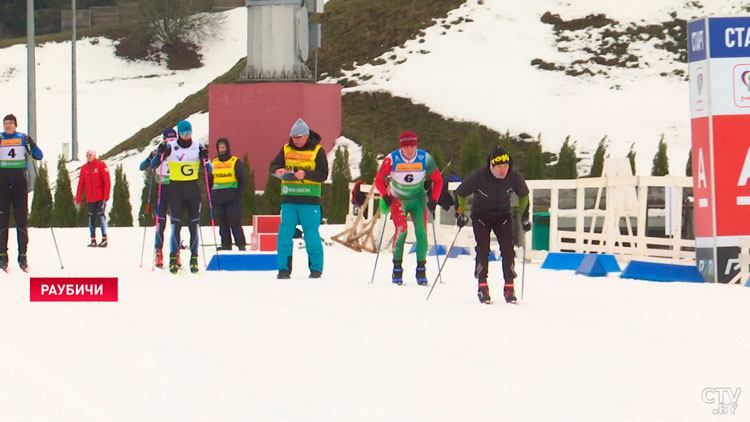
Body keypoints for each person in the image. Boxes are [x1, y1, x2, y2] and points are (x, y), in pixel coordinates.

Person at [455, 146, 530, 304]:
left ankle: (509, 286)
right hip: (481, 215)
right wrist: (460, 213)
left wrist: (525, 217)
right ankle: (482, 285)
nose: (503, 170)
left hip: (502, 215)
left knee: (508, 249)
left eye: (506, 166)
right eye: (499, 167)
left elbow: (524, 196)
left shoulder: (513, 176)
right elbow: (460, 193)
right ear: (491, 166)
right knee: (483, 248)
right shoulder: (478, 176)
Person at [374, 131, 442, 285]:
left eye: (413, 146)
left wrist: (434, 199)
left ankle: (421, 270)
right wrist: (385, 195)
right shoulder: (391, 159)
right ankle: (397, 269)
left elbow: (438, 180)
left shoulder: (425, 158)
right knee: (402, 231)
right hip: (399, 200)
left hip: (418, 199)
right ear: (401, 147)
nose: (410, 150)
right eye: (407, 147)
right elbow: (379, 180)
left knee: (422, 233)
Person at [269, 118, 328, 279]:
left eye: (298, 137)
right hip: (289, 199)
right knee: (285, 235)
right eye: (293, 137)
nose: (295, 140)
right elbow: (273, 167)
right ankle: (283, 269)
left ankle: (316, 269)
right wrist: (278, 171)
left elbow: (323, 174)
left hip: (310, 200)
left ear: (306, 136)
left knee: (311, 235)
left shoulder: (317, 151)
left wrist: (306, 174)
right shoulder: (286, 149)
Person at [152, 120, 211, 274]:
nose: (187, 135)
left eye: (189, 132)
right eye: (184, 132)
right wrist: (160, 152)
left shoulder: (198, 146)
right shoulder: (171, 147)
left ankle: (194, 259)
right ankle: (173, 258)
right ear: (179, 133)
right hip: (175, 190)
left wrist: (205, 158)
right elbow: (153, 165)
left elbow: (209, 169)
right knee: (176, 226)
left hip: (192, 190)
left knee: (194, 226)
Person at [0, 114, 43, 271]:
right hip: (3, 185)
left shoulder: (22, 138)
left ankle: (23, 256)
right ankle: (2, 257)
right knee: (2, 222)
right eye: (5, 123)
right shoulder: (0, 138)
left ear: (15, 125)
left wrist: (32, 144)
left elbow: (38, 156)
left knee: (21, 222)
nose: (7, 126)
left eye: (10, 123)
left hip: (19, 185)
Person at [140, 128, 177, 268]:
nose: (171, 141)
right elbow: (143, 166)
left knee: (176, 222)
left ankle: (176, 251)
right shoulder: (159, 149)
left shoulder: (178, 149)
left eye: (173, 138)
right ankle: (158, 252)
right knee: (160, 222)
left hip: (175, 188)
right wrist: (152, 156)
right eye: (168, 138)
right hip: (161, 188)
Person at [209, 138, 247, 250]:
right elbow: (209, 179)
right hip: (218, 198)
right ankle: (226, 245)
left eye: (223, 147)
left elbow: (242, 179)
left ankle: (240, 244)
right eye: (220, 147)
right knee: (223, 223)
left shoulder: (235, 161)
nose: (222, 149)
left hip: (232, 197)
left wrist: (239, 193)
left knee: (234, 221)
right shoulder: (214, 162)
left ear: (227, 148)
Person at [76, 149, 111, 247]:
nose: (88, 157)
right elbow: (81, 184)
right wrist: (78, 198)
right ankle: (93, 239)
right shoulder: (84, 168)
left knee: (101, 216)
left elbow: (107, 182)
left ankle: (104, 238)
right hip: (90, 198)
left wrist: (106, 196)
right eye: (87, 155)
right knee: (91, 218)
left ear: (94, 156)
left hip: (100, 197)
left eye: (90, 155)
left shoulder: (101, 166)